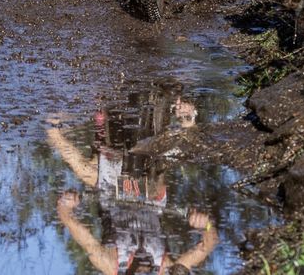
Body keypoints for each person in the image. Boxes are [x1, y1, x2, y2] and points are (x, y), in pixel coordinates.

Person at [47, 93, 217, 275]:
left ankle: (53, 126)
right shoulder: (165, 269)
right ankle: (185, 117)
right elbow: (207, 246)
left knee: (84, 171)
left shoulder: (110, 265)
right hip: (150, 192)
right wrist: (205, 225)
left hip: (112, 191)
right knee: (173, 161)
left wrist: (65, 206)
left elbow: (82, 236)